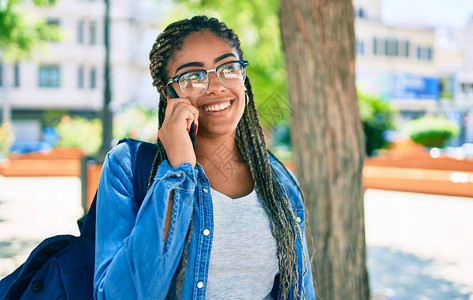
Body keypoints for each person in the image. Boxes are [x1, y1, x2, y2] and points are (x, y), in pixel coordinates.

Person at [93, 15, 315, 299]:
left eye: (228, 68)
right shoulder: (127, 167)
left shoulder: (280, 181)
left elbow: (300, 291)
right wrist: (179, 172)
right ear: (168, 91)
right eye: (193, 76)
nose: (216, 86)